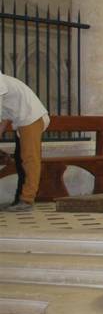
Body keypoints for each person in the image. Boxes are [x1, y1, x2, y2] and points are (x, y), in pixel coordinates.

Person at [0, 73, 50, 211]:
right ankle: (21, 199)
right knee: (20, 159)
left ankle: (27, 200)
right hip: (24, 120)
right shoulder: (5, 82)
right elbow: (4, 118)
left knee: (30, 159)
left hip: (31, 118)